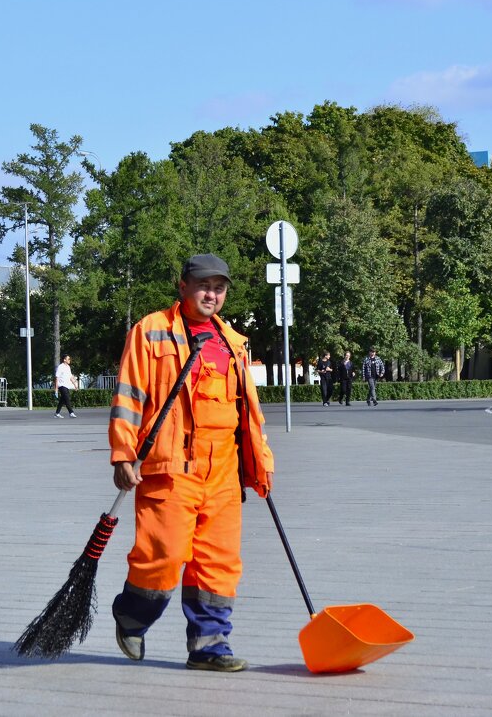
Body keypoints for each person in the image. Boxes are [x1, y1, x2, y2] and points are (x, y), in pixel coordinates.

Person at [109, 253, 274, 673]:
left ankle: (209, 645)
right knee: (162, 554)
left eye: (219, 288)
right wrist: (123, 454)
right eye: (204, 286)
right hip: (171, 466)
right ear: (183, 286)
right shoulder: (151, 332)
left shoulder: (233, 342)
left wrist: (260, 463)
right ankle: (133, 615)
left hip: (223, 471)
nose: (211, 294)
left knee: (218, 561)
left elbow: (249, 412)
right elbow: (130, 397)